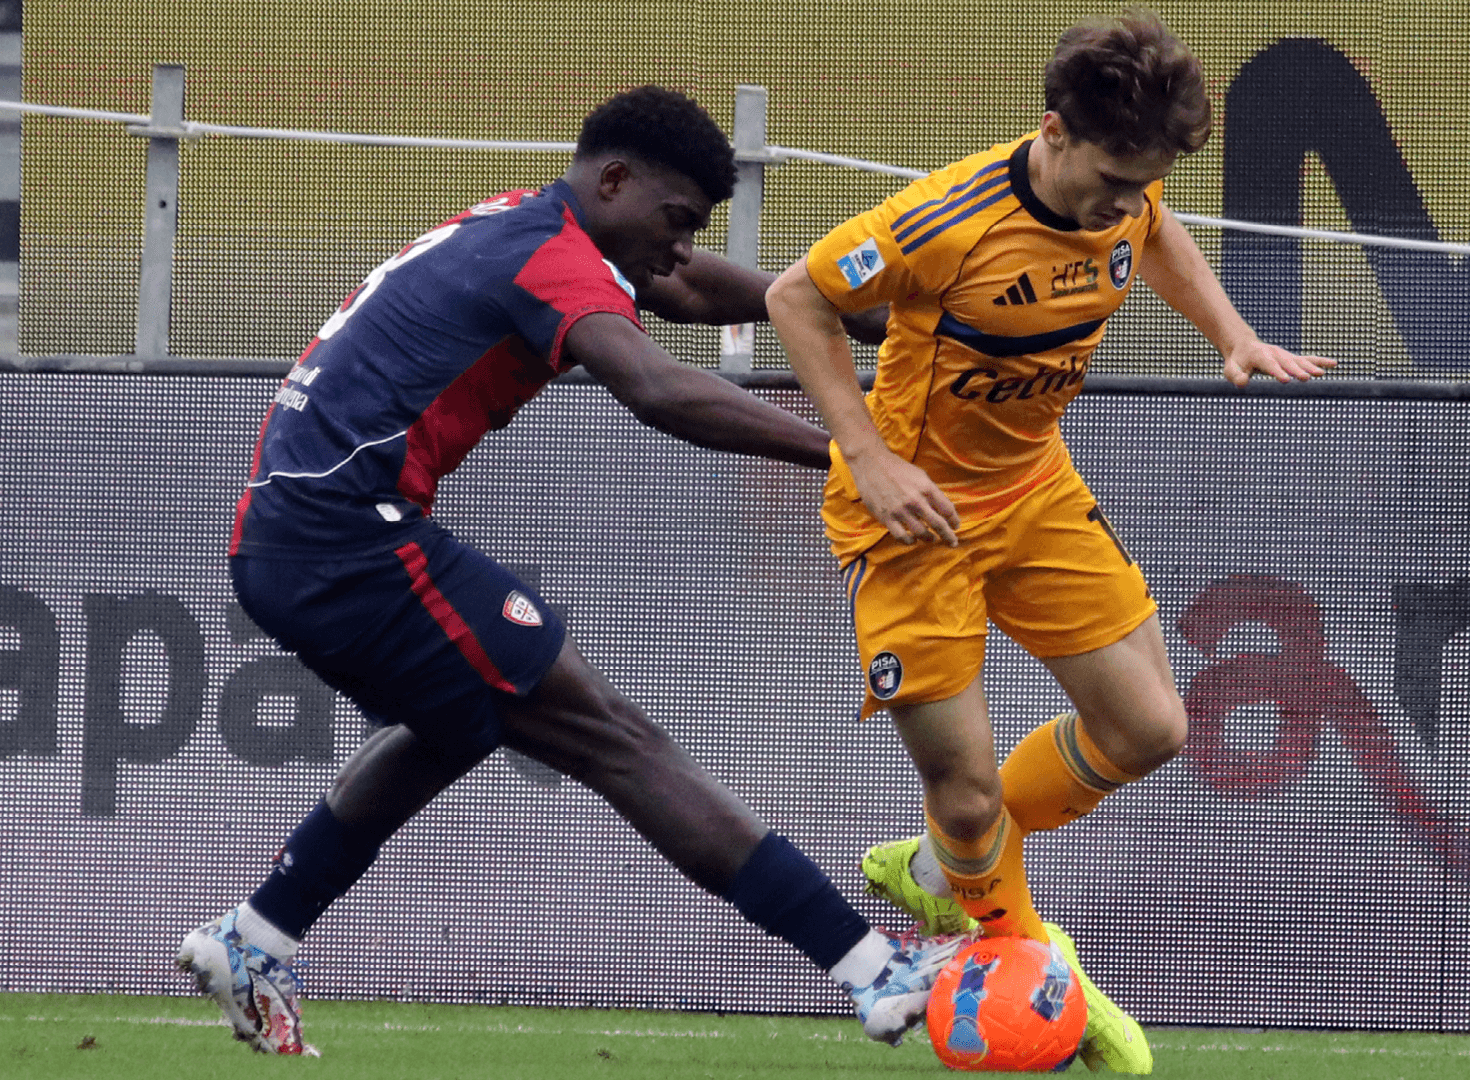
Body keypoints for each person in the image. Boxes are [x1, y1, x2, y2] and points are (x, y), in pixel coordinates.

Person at [176, 85, 963, 1057]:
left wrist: (847, 315)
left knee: (457, 724)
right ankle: (872, 969)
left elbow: (685, 290)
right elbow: (658, 387)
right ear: (616, 180)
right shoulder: (549, 255)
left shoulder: (537, 225)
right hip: (347, 541)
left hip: (294, 539)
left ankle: (254, 937)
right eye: (677, 220)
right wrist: (856, 455)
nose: (682, 247)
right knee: (614, 737)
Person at [765, 12, 1333, 1074]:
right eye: (1114, 178)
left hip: (1034, 492)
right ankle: (1018, 945)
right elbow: (795, 298)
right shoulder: (946, 220)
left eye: (1145, 181)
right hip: (915, 521)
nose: (1126, 201)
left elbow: (1154, 230)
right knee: (968, 789)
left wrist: (1234, 334)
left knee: (1151, 728)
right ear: (1055, 131)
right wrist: (869, 459)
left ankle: (941, 867)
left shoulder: (1128, 194)